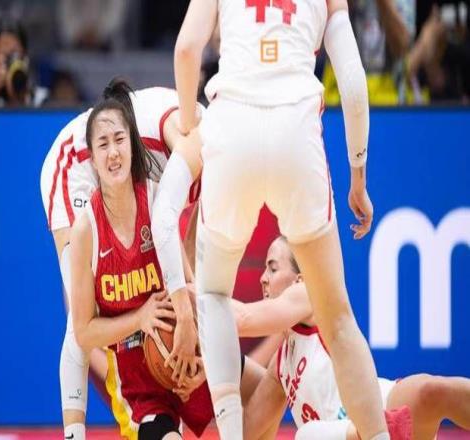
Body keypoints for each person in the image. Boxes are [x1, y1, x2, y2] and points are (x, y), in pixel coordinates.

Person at [173, 0, 411, 439]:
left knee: (213, 294)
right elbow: (353, 83)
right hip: (296, 132)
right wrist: (358, 175)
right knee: (337, 320)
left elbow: (187, 49)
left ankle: (231, 434)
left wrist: (190, 130)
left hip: (232, 126)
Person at [40, 79, 199, 440]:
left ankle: (158, 402)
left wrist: (195, 346)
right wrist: (142, 320)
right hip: (76, 164)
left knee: (167, 290)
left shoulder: (213, 172)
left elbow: (188, 263)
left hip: (124, 161)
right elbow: (86, 329)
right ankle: (74, 433)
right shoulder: (189, 141)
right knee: (81, 316)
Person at [234, 236, 470, 440]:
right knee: (307, 435)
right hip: (344, 433)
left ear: (300, 279)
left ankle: (375, 430)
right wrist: (217, 366)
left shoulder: (310, 295)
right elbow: (249, 426)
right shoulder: (281, 364)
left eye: (273, 268)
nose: (263, 278)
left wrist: (209, 307)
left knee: (430, 391)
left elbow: (244, 318)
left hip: (380, 412)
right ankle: (364, 433)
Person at [0, 14, 48, 107]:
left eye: (14, 55)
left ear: (25, 56)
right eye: (2, 56)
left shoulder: (43, 101)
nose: (9, 63)